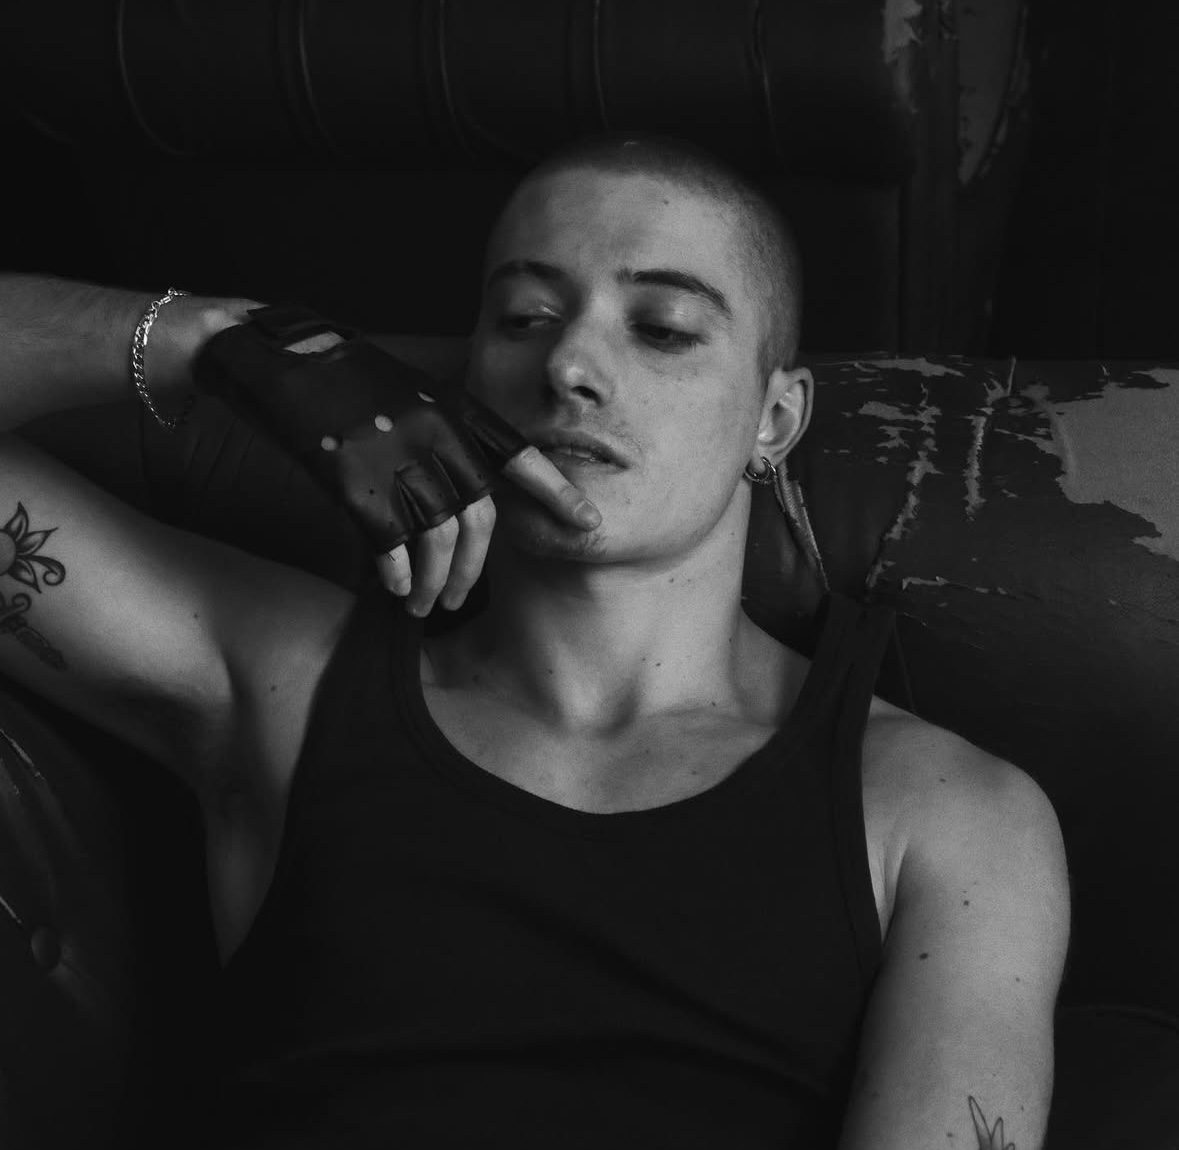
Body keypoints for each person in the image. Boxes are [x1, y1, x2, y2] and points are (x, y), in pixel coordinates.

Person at [0, 134, 1069, 1149]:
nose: (569, 366)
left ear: (774, 418)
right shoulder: (288, 682)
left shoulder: (949, 816)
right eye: (525, 317)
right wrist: (231, 345)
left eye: (661, 328)